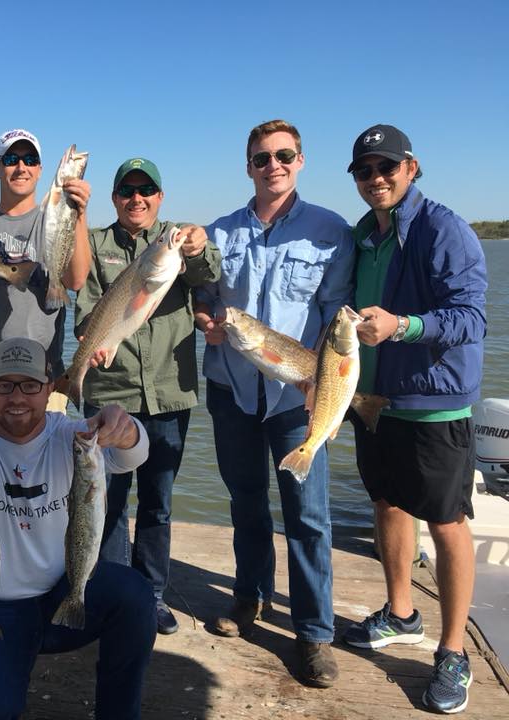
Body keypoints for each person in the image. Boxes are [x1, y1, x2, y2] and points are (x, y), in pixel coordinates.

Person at [0, 337, 156, 719]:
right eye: (5, 385)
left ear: (50, 388)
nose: (17, 397)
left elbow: (134, 454)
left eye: (30, 385)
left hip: (64, 593)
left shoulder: (73, 437)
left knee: (135, 596)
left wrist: (127, 430)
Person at [193, 119, 354, 687]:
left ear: (301, 161)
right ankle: (249, 598)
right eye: (262, 158)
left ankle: (313, 632)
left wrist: (323, 386)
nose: (273, 166)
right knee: (245, 504)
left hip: (296, 397)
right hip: (231, 392)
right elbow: (203, 297)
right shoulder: (219, 232)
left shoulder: (332, 231)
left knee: (308, 516)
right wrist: (206, 321)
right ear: (249, 167)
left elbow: (337, 318)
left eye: (284, 156)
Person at [342, 124, 486, 714]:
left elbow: (471, 318)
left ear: (411, 167)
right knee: (387, 503)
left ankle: (453, 651)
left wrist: (403, 326)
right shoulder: (362, 236)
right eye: (365, 170)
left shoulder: (443, 228)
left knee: (447, 522)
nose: (376, 178)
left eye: (386, 167)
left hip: (435, 403)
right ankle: (401, 613)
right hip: (374, 399)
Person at [75, 157, 221, 634]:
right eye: (127, 191)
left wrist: (196, 245)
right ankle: (115, 593)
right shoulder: (96, 244)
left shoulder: (175, 241)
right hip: (110, 392)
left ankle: (152, 595)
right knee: (108, 501)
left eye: (146, 191)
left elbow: (208, 273)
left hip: (169, 394)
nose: (136, 199)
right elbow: (85, 309)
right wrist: (91, 342)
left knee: (158, 502)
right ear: (115, 198)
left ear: (160, 197)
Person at [0, 129, 91, 423]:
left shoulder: (53, 215)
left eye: (30, 160)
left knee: (49, 454)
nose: (21, 167)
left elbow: (76, 281)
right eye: (11, 159)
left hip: (44, 376)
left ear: (40, 169)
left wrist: (79, 213)